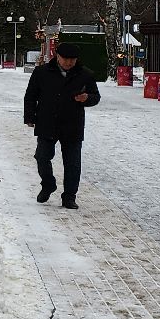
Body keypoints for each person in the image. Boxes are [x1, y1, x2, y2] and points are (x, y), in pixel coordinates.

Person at [24, 42, 101, 209]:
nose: (68, 63)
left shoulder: (85, 74)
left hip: (72, 124)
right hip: (47, 121)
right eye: (65, 59)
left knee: (73, 163)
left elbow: (96, 96)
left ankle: (69, 197)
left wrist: (87, 98)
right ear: (57, 56)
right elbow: (30, 96)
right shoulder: (41, 72)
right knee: (42, 157)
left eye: (72, 60)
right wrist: (30, 117)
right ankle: (48, 184)